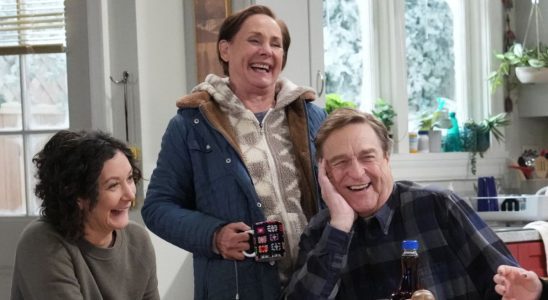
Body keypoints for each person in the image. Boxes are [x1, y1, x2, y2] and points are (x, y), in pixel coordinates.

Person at [141, 4, 326, 300]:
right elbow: (157, 208)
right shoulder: (190, 124)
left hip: (315, 285)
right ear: (225, 50)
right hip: (238, 288)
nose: (266, 50)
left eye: (276, 44)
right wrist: (214, 235)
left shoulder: (313, 117)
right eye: (254, 40)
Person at [285, 108, 519, 300]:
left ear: (386, 158)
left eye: (368, 157)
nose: (356, 173)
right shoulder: (320, 232)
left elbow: (512, 289)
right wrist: (340, 227)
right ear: (325, 173)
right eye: (340, 162)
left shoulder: (438, 206)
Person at [11, 130, 159, 300]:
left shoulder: (138, 240)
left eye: (130, 178)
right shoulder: (42, 241)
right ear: (78, 195)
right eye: (113, 186)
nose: (130, 195)